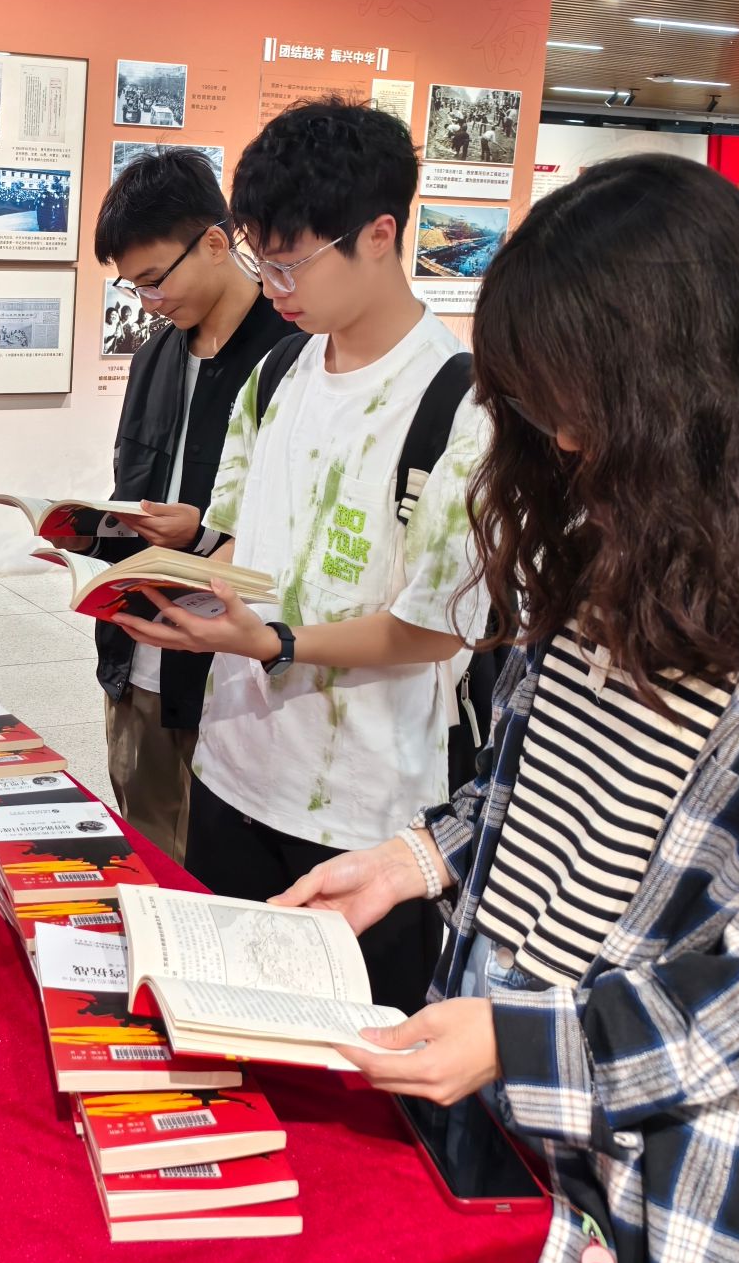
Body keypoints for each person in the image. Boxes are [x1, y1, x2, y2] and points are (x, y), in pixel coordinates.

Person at [272, 153, 739, 1263]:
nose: (562, 442)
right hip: (502, 1083)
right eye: (540, 406)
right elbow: (556, 779)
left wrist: (535, 1045)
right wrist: (416, 860)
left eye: (582, 407)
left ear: (703, 380)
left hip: (687, 1168)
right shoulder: (631, 515)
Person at [115, 98, 488, 1013]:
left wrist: (277, 643)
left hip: (365, 811)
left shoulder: (459, 404)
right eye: (262, 261)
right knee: (222, 1020)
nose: (275, 286)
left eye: (292, 262)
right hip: (234, 766)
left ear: (380, 235)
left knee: (348, 1057)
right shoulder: (278, 373)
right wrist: (165, 578)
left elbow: (433, 630)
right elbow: (242, 543)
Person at [85, 149, 294, 862]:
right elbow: (134, 486)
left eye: (153, 280)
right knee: (145, 851)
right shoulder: (154, 357)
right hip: (136, 654)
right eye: (133, 286)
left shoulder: (291, 355)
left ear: (214, 242)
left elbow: (294, 524)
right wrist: (87, 533)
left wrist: (203, 533)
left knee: (218, 870)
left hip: (235, 670)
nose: (148, 301)